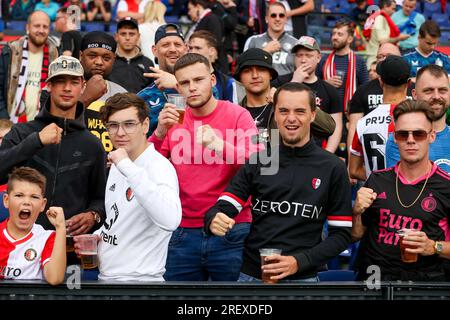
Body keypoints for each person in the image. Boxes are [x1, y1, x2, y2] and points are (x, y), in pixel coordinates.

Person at [205, 82, 352, 282]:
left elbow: (341, 235)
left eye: (300, 111)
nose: (291, 118)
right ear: (275, 114)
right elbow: (223, 208)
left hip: (303, 279)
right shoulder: (261, 159)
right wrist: (214, 219)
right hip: (254, 276)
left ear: (313, 115)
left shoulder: (332, 166)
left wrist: (299, 262)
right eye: (283, 111)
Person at [149, 53, 260, 281]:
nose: (192, 88)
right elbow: (147, 167)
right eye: (185, 83)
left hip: (231, 227)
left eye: (198, 80)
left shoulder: (238, 115)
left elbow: (261, 165)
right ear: (177, 87)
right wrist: (159, 133)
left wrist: (220, 145)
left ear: (212, 80)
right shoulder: (173, 119)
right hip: (182, 230)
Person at [74, 93, 181, 282]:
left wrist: (126, 166)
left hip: (140, 285)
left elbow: (171, 220)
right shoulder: (119, 163)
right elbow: (120, 219)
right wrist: (99, 236)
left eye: (129, 124)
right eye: (113, 125)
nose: (120, 132)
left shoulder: (159, 167)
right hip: (109, 279)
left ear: (145, 125)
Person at [0, 55, 106, 234]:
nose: (67, 88)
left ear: (83, 86)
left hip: (69, 248)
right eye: (59, 81)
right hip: (22, 245)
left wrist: (94, 214)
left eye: (73, 82)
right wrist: (36, 141)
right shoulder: (22, 133)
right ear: (48, 86)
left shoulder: (92, 144)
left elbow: (101, 198)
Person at [352, 99, 450, 281]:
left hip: (425, 286)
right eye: (403, 134)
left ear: (431, 136)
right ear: (395, 138)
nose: (410, 140)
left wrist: (433, 246)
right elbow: (356, 235)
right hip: (375, 282)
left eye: (419, 134)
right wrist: (357, 212)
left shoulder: (446, 186)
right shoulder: (377, 179)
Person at [235, 47, 336, 139]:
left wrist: (287, 100)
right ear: (240, 78)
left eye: (261, 69)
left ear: (270, 75)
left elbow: (328, 128)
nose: (255, 75)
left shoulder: (285, 105)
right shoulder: (234, 113)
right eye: (247, 71)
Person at [274, 36, 343, 154]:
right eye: (299, 55)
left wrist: (327, 154)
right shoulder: (279, 82)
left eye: (308, 55)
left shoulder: (329, 90)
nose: (303, 60)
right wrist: (295, 82)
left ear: (318, 58)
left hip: (317, 151)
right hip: (282, 150)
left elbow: (336, 127)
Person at [0, 167, 66, 285]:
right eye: (19, 195)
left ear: (42, 204)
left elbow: (55, 278)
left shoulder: (47, 238)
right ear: (6, 200)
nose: (27, 202)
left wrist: (61, 228)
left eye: (34, 197)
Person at [349, 55, 410, 181]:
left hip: (377, 196)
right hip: (412, 194)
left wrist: (378, 179)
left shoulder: (363, 123)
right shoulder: (420, 120)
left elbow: (353, 170)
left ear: (381, 81)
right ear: (408, 83)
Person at [386, 65, 450, 173]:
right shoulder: (403, 138)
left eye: (442, 90)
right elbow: (399, 186)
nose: (436, 96)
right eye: (428, 91)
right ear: (414, 95)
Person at [0, 11, 59, 122]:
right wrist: (3, 121)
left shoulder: (55, 56)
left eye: (45, 27)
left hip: (42, 127)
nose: (41, 30)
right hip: (11, 126)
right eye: (37, 26)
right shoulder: (10, 52)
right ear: (27, 27)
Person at [79, 31, 127, 152]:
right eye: (92, 56)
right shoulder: (64, 89)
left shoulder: (122, 94)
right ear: (80, 56)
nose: (99, 62)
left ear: (114, 60)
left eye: (106, 58)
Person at [138, 23, 188, 135]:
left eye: (177, 44)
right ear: (154, 51)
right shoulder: (143, 98)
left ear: (186, 48)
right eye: (166, 45)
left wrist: (177, 84)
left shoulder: (203, 88)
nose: (172, 49)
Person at [188, 30, 243, 104]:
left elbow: (234, 113)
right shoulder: (182, 80)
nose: (192, 52)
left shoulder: (228, 83)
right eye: (190, 48)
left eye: (198, 48)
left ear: (212, 51)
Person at [244, 2, 297, 77]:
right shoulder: (253, 40)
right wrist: (265, 51)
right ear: (266, 19)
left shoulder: (296, 43)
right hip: (261, 87)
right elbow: (244, 67)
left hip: (287, 87)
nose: (277, 19)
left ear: (285, 19)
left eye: (281, 15)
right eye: (273, 15)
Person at [109, 17, 154, 93]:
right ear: (116, 37)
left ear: (138, 36)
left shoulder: (147, 63)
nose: (127, 38)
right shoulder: (109, 61)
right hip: (113, 104)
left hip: (140, 104)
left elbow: (151, 93)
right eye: (123, 34)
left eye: (131, 34)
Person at [363, 0, 410, 68]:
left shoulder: (374, 16)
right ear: (385, 7)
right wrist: (399, 38)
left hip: (374, 55)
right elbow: (382, 41)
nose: (394, 11)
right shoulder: (380, 18)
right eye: (393, 9)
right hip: (377, 58)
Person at [185, 0, 228, 74]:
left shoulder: (212, 19)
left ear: (198, 6)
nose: (188, 13)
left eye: (190, 9)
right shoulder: (201, 20)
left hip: (215, 69)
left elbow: (216, 43)